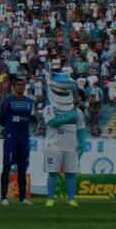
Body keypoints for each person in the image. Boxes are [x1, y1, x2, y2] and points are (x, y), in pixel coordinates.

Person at [42, 72, 86, 208]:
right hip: (54, 144)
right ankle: (50, 198)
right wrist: (67, 118)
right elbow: (53, 122)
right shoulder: (49, 108)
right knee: (53, 172)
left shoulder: (77, 111)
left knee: (71, 173)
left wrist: (82, 142)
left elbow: (81, 128)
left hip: (71, 144)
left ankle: (71, 198)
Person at [0, 76, 34, 205]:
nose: (21, 87)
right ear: (13, 87)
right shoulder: (8, 102)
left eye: (22, 85)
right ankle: (4, 197)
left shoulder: (29, 102)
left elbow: (30, 117)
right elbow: (2, 120)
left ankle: (22, 197)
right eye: (18, 85)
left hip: (24, 138)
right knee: (7, 166)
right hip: (11, 138)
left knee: (22, 168)